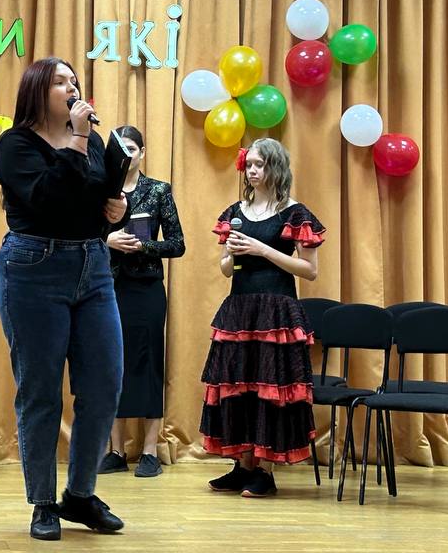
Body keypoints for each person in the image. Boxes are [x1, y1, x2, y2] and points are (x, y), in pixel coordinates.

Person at [0, 57, 129, 541]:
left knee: (105, 384)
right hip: (33, 267)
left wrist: (116, 207)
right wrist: (77, 139)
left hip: (93, 266)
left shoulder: (92, 142)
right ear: (37, 90)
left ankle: (80, 494)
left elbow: (94, 199)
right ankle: (43, 502)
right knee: (41, 391)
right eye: (60, 82)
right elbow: (47, 197)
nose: (72, 88)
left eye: (74, 81)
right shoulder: (14, 145)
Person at [201, 138, 324, 498]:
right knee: (239, 387)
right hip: (239, 309)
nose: (252, 171)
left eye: (260, 165)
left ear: (276, 168)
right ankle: (242, 467)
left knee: (271, 389)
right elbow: (227, 269)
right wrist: (231, 254)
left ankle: (265, 472)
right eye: (249, 165)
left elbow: (309, 270)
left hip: (276, 311)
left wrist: (261, 249)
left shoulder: (294, 212)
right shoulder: (235, 211)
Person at [98, 125, 185, 479]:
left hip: (147, 288)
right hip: (109, 286)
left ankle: (149, 451)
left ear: (142, 153)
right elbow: (86, 235)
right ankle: (116, 450)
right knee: (111, 364)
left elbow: (177, 244)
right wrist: (108, 241)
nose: (127, 155)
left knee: (149, 364)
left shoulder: (158, 190)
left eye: (132, 149)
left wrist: (144, 246)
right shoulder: (101, 190)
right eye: (121, 149)